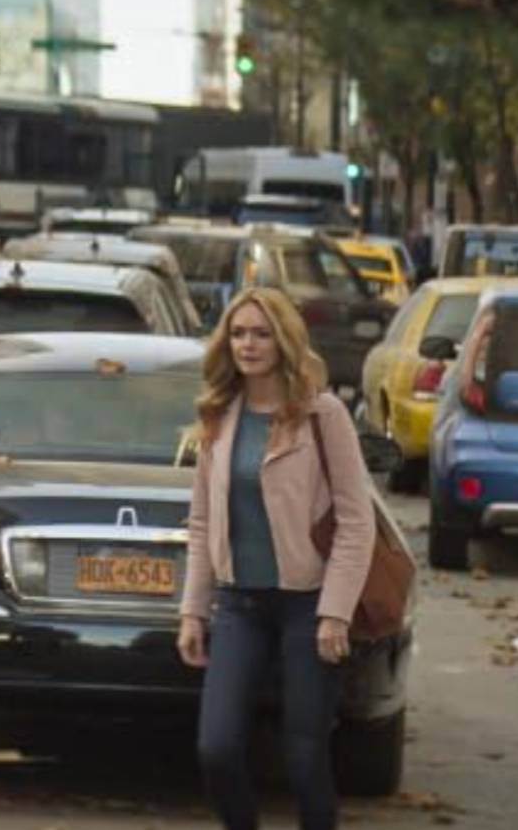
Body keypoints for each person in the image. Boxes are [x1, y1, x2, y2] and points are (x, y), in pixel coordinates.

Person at [177, 286, 376, 830]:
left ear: (284, 340)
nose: (248, 344)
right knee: (216, 747)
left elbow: (358, 521)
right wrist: (193, 610)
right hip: (239, 603)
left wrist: (335, 610)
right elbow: (200, 522)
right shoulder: (220, 414)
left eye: (261, 334)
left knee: (304, 754)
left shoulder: (322, 413)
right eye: (239, 333)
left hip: (307, 606)